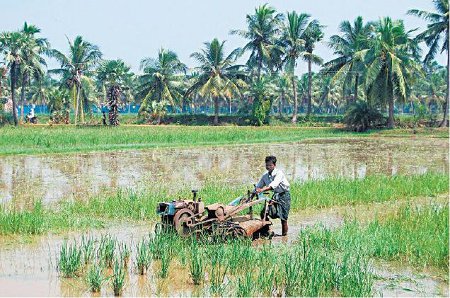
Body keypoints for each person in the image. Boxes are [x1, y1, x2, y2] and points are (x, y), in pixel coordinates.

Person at [256, 155, 291, 236]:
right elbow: (259, 186)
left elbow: (273, 185)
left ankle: (284, 236)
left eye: (270, 165)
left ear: (274, 165)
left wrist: (262, 190)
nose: (268, 167)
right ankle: (266, 231)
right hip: (276, 195)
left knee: (283, 218)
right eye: (267, 165)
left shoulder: (279, 174)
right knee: (264, 212)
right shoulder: (265, 176)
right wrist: (255, 191)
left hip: (284, 195)